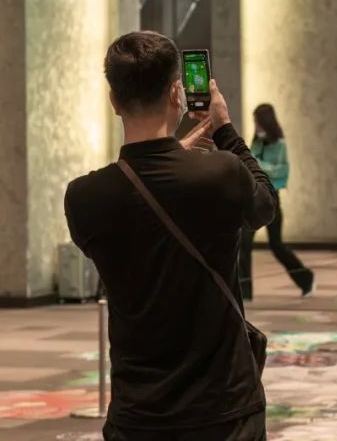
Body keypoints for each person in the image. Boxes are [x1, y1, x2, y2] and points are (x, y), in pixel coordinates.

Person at [64, 31, 277, 441]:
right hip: (224, 409)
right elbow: (264, 204)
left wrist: (175, 152)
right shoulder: (221, 173)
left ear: (113, 101)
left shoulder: (84, 197)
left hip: (138, 413)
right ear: (177, 93)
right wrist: (225, 129)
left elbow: (146, 194)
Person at [239, 104, 315, 299]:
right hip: (253, 198)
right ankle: (244, 291)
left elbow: (281, 172)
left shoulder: (279, 145)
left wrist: (258, 165)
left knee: (276, 245)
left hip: (271, 199)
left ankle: (305, 278)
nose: (256, 125)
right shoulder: (257, 142)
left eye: (258, 121)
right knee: (244, 244)